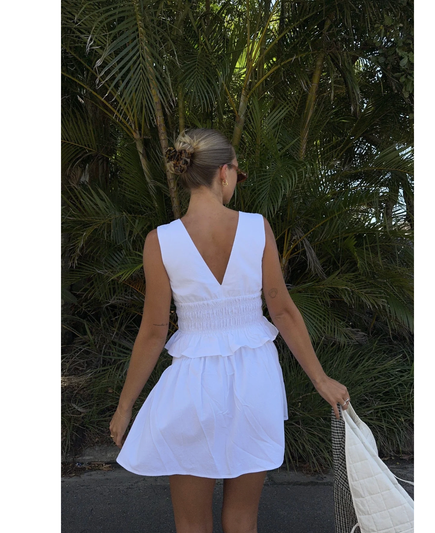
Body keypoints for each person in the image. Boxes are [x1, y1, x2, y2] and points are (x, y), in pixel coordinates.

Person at [109, 128, 350, 533]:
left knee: (192, 524)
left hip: (192, 385)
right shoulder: (257, 228)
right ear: (224, 172)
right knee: (242, 520)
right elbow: (282, 311)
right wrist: (321, 379)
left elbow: (153, 332)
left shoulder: (160, 241)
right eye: (238, 171)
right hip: (255, 380)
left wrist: (125, 405)